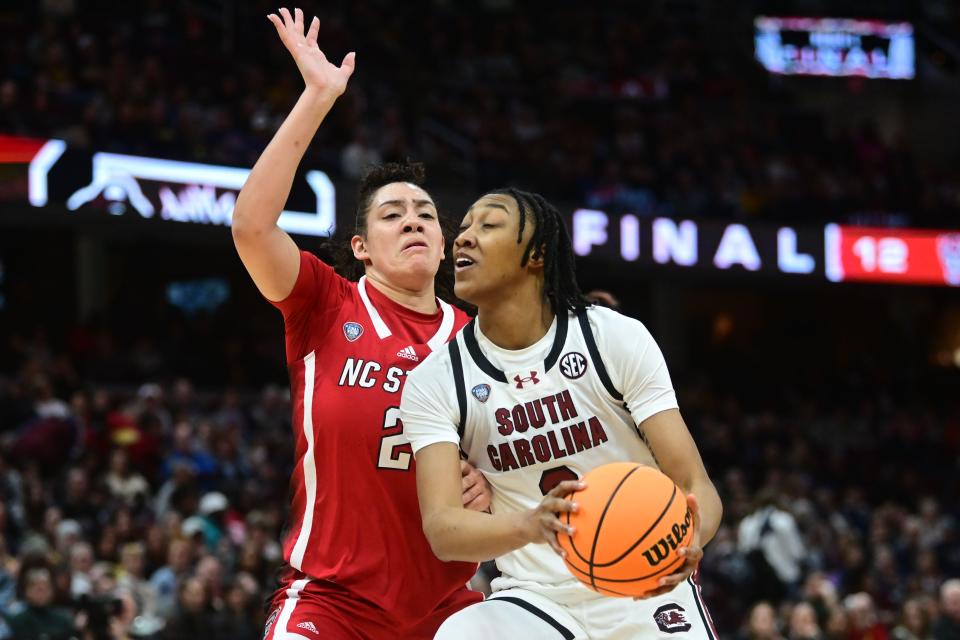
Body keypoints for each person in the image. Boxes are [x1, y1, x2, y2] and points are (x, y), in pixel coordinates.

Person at [232, 8, 487, 638]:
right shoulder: (328, 303)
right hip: (332, 602)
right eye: (394, 214)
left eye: (426, 213)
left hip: (446, 609)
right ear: (361, 247)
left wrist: (493, 482)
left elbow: (521, 460)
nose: (414, 221)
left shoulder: (479, 343)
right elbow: (251, 228)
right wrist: (318, 98)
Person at [401, 188, 723, 639]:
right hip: (535, 598)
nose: (463, 238)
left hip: (645, 581)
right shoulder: (435, 379)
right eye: (465, 226)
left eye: (488, 225)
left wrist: (691, 538)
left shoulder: (612, 338)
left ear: (537, 253)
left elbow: (694, 485)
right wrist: (529, 525)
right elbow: (443, 528)